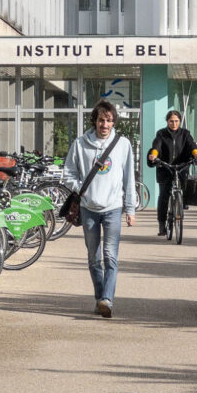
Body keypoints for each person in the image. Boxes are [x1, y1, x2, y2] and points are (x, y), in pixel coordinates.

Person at [63, 100, 136, 318]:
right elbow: (68, 173)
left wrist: (130, 209)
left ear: (114, 123)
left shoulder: (123, 145)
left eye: (110, 120)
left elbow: (129, 179)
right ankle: (99, 297)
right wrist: (80, 189)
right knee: (94, 258)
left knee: (110, 257)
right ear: (95, 120)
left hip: (113, 207)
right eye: (102, 120)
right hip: (88, 208)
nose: (105, 124)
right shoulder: (80, 144)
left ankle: (107, 299)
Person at [147, 110, 197, 235]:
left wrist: (196, 154)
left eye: (176, 121)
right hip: (165, 167)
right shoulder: (161, 134)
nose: (174, 123)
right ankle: (162, 224)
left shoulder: (185, 134)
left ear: (180, 121)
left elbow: (192, 145)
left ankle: (179, 208)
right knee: (164, 196)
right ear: (167, 121)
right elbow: (156, 146)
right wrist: (154, 155)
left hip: (181, 167)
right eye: (171, 121)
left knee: (183, 190)